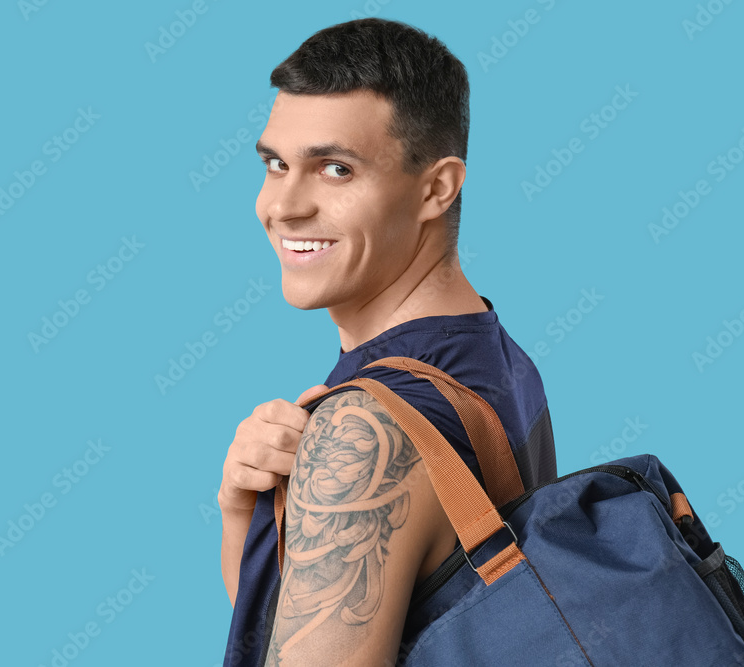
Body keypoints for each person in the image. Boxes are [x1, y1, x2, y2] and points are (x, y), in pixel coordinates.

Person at [219, 18, 557, 666]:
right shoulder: (498, 358)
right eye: (276, 164)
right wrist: (247, 513)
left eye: (335, 168)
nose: (283, 205)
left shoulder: (366, 428)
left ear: (436, 187)